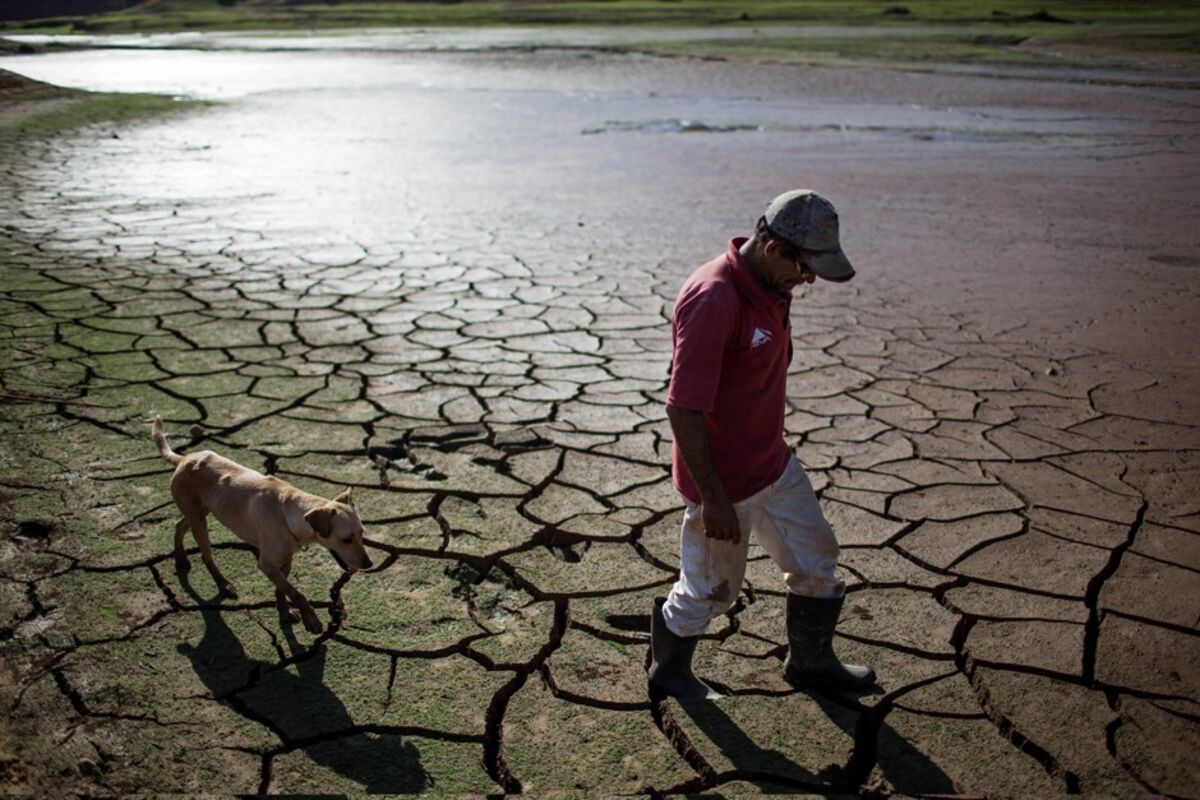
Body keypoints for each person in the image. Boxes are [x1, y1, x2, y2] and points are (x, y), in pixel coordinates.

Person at [648, 189, 875, 700]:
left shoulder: (773, 286)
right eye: (806, 266)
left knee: (818, 560)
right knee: (710, 593)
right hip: (724, 484)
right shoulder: (714, 300)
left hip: (773, 467)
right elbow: (683, 408)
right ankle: (669, 673)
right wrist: (713, 499)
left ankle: (811, 663)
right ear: (774, 249)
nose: (810, 278)